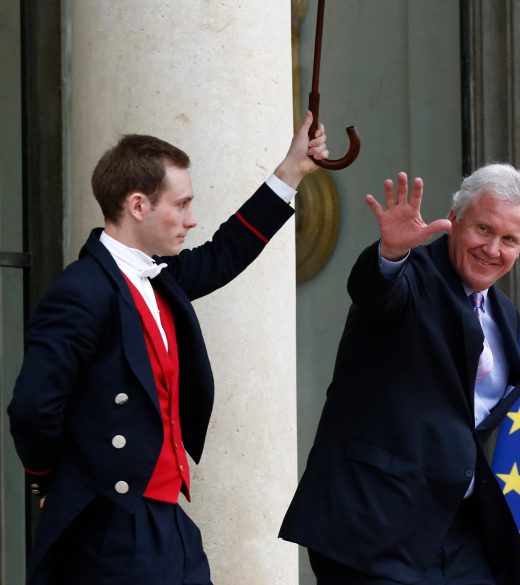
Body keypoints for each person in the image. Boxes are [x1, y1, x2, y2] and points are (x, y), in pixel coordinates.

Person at [7, 111, 328, 585]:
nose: (191, 219)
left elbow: (226, 252)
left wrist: (292, 171)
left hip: (167, 520)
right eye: (181, 204)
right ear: (138, 205)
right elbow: (33, 407)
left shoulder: (161, 278)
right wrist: (54, 479)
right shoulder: (82, 290)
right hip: (112, 525)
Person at [280, 165, 520, 585]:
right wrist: (390, 255)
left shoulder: (505, 314)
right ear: (455, 218)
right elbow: (376, 293)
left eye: (509, 240)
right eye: (483, 229)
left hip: (453, 531)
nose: (492, 249)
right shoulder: (411, 276)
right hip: (371, 525)